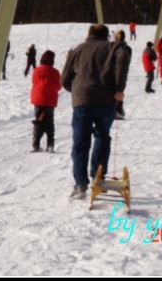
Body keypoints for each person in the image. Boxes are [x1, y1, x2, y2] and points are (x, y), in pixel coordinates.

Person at [61, 23, 131, 200]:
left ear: (88, 34)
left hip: (82, 101)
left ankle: (80, 184)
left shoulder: (78, 49)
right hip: (106, 100)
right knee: (102, 136)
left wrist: (78, 89)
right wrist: (119, 88)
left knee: (80, 141)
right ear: (107, 35)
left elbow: (64, 80)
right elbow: (124, 54)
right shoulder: (113, 47)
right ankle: (98, 178)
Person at [30, 50, 61, 153]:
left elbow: (33, 82)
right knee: (49, 122)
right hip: (50, 100)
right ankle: (50, 144)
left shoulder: (36, 70)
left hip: (38, 98)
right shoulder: (55, 72)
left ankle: (36, 144)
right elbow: (58, 85)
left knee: (39, 121)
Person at [114, 30, 132, 119]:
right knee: (119, 91)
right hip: (123, 72)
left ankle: (117, 109)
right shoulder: (127, 49)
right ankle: (118, 108)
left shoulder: (113, 48)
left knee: (116, 91)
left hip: (115, 72)